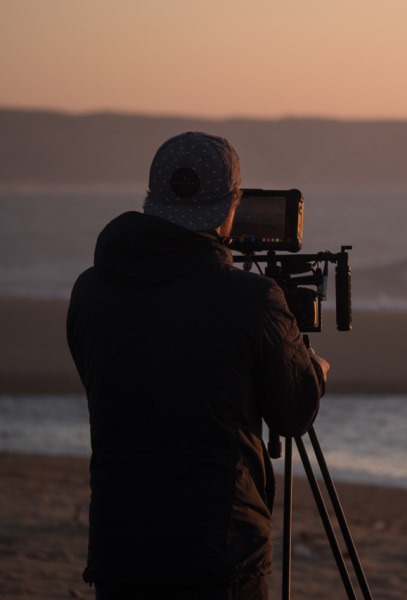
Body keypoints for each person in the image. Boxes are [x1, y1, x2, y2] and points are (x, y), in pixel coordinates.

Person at [66, 131, 329, 599]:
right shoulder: (250, 299)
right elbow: (292, 414)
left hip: (119, 552)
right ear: (231, 205)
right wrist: (313, 370)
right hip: (219, 557)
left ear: (154, 198)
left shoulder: (89, 291)